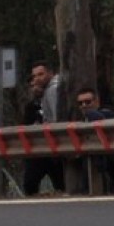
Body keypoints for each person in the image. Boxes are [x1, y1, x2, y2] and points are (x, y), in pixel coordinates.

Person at [21, 60, 68, 196]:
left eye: (40, 74)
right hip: (45, 144)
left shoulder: (53, 89)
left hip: (53, 142)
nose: (37, 79)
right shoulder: (41, 97)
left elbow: (55, 119)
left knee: (58, 181)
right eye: (34, 76)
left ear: (50, 73)